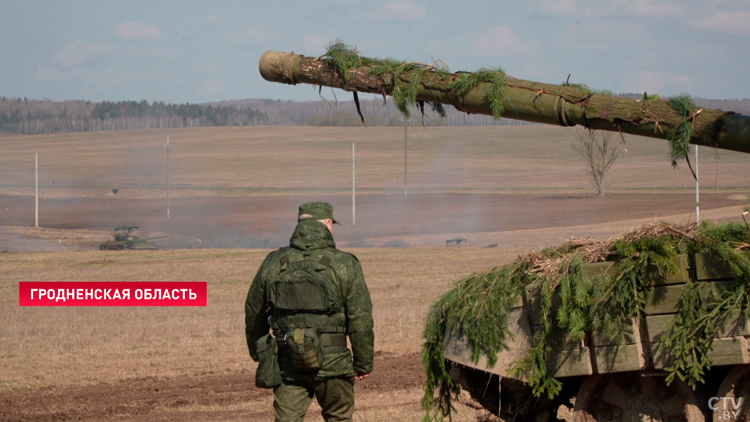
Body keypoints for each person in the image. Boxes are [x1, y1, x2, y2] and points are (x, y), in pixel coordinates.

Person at [245, 201, 374, 422]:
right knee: (339, 418)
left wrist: (258, 352)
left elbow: (254, 312)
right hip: (333, 364)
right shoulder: (344, 263)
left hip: (288, 361)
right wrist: (363, 362)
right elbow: (360, 319)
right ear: (326, 222)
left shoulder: (274, 261)